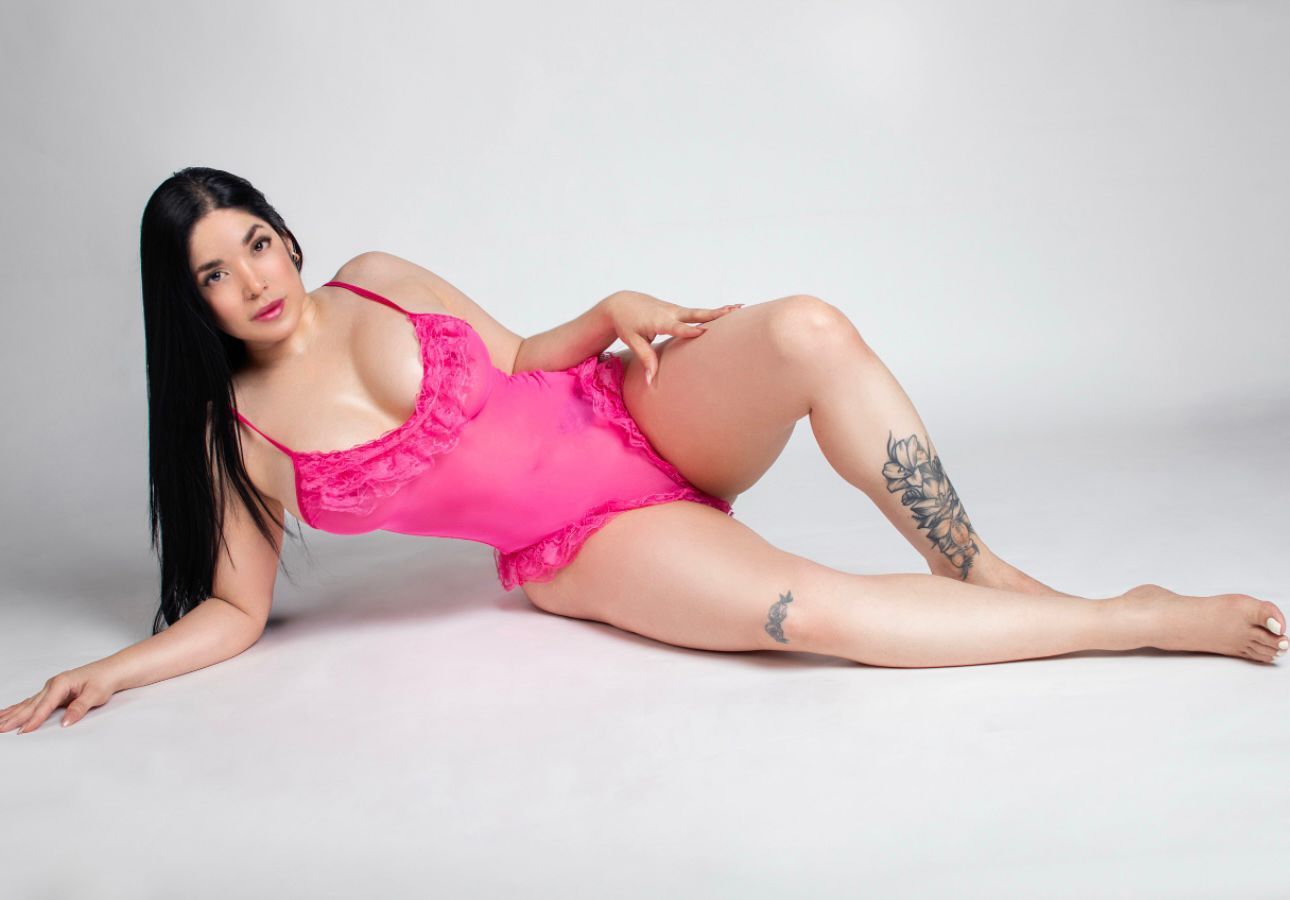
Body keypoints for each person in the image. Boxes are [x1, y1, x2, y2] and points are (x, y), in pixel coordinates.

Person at [3, 167, 1284, 734]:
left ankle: (982, 569)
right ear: (193, 307)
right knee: (804, 616)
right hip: (592, 541)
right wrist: (110, 672)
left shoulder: (378, 276)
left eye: (256, 242)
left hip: (631, 409)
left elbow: (519, 355)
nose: (255, 279)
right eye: (215, 275)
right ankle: (1133, 618)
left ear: (286, 236)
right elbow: (235, 612)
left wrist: (609, 309)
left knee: (806, 326)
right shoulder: (247, 442)